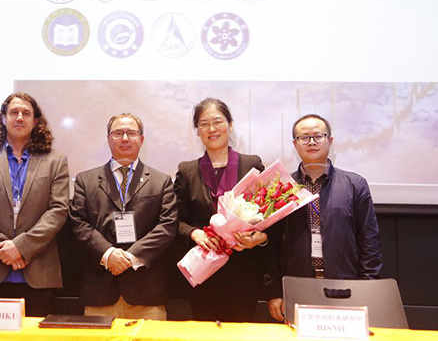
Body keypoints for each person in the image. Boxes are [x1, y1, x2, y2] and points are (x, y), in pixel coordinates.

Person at [265, 114, 383, 321]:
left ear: (330, 141)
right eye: (304, 138)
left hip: (345, 285)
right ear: (295, 144)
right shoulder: (281, 187)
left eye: (318, 136)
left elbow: (369, 241)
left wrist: (368, 288)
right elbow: (273, 245)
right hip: (297, 284)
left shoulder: (355, 185)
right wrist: (274, 291)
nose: (311, 142)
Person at [0, 92, 69, 317]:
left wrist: (20, 247)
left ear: (36, 121)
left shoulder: (55, 161)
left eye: (26, 113)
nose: (19, 118)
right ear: (3, 118)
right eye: (13, 112)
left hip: (39, 273)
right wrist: (3, 250)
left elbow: (58, 210)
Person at [69, 113, 177, 320]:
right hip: (99, 291)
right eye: (118, 133)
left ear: (142, 139)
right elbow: (79, 223)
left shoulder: (162, 181)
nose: (125, 138)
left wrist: (131, 257)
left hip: (147, 291)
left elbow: (167, 226)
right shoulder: (85, 180)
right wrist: (109, 254)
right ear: (108, 139)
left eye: (131, 133)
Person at [174, 98, 268, 322]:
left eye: (218, 121)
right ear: (198, 131)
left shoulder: (251, 165)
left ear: (230, 125)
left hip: (244, 271)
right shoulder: (187, 171)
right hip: (203, 271)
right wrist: (194, 233)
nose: (212, 129)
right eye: (204, 124)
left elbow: (269, 215)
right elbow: (175, 220)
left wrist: (260, 237)